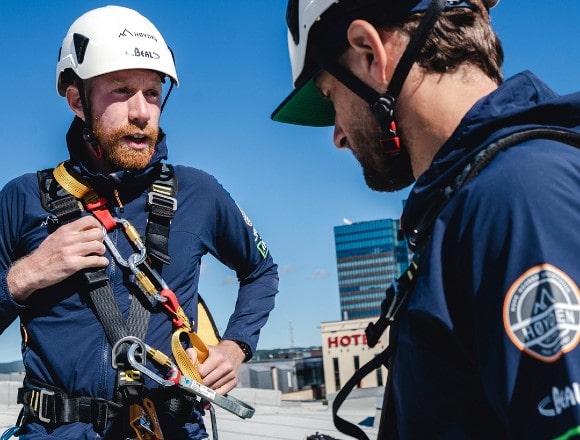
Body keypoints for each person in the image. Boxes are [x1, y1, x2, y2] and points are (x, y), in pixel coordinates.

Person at [272, 0, 580, 438]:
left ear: (368, 53)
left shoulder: (518, 198)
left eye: (329, 97)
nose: (338, 135)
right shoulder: (478, 202)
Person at [0, 5, 278, 440]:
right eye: (122, 90)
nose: (142, 112)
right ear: (77, 100)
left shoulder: (198, 193)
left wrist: (236, 344)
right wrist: (27, 274)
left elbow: (261, 270)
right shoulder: (21, 200)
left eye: (152, 92)